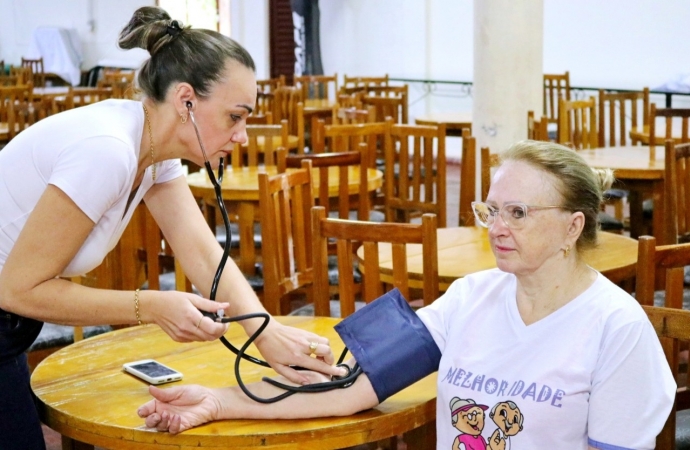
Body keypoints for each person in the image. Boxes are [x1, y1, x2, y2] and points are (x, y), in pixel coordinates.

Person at [138, 140, 676, 449]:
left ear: (572, 227)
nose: (497, 227)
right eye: (492, 209)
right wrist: (219, 401)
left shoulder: (617, 328)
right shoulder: (469, 297)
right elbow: (355, 387)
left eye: (519, 213)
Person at [0, 7, 344, 449]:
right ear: (186, 101)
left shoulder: (153, 149)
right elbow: (18, 290)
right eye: (235, 116)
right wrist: (152, 306)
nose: (242, 136)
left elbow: (203, 255)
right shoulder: (107, 149)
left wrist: (264, 331)